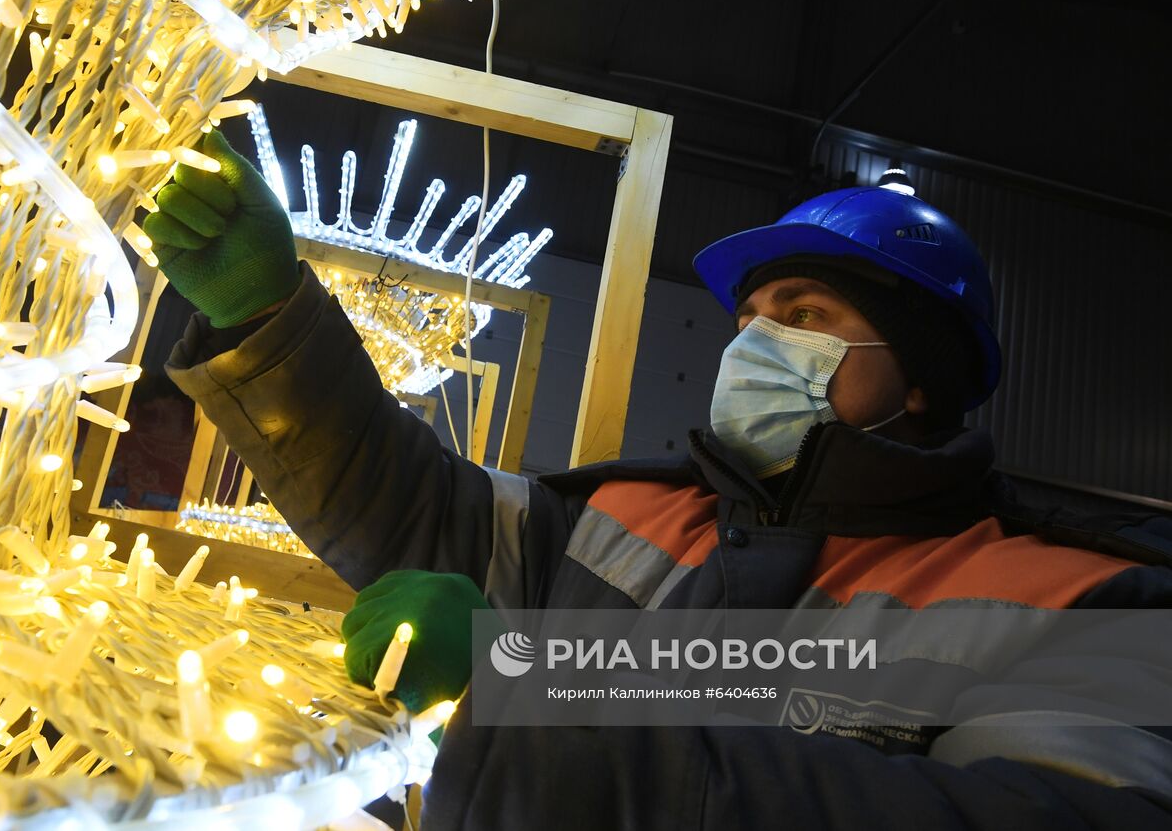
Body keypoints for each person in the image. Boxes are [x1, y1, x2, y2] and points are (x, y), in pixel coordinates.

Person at [153, 129, 1172, 829]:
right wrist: (266, 320)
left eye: (804, 314)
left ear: (920, 377)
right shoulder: (626, 512)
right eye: (748, 317)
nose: (755, 341)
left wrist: (520, 691)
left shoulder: (1076, 603)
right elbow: (416, 508)